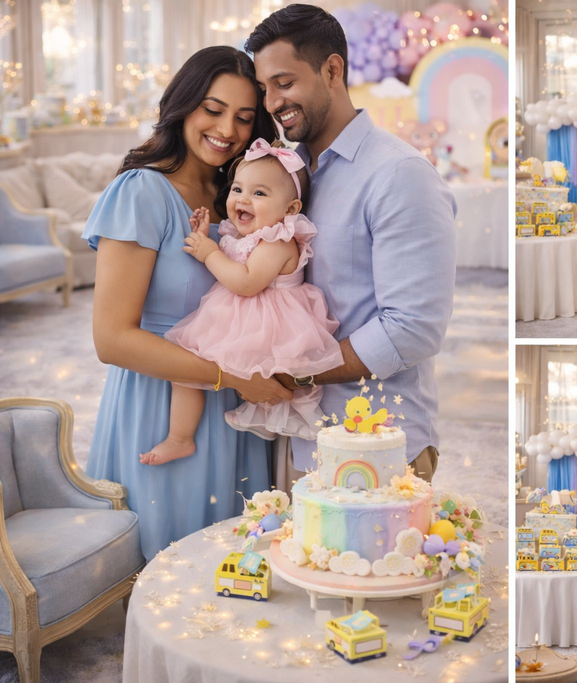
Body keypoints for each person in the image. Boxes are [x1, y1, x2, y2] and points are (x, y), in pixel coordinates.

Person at [83, 46, 294, 560]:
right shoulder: (142, 192)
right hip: (164, 404)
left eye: (245, 118)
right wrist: (235, 378)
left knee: (237, 575)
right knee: (171, 577)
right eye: (213, 109)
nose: (228, 129)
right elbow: (111, 340)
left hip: (237, 412)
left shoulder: (237, 195)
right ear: (183, 104)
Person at [245, 5, 457, 482]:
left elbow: (412, 329)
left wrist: (294, 373)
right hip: (298, 435)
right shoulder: (285, 174)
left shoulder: (399, 174)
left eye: (284, 82)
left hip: (378, 442)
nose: (273, 102)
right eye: (264, 89)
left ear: (333, 70)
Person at [141, 138, 344, 465]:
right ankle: (180, 438)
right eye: (237, 189)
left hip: (270, 327)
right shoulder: (246, 236)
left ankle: (254, 419)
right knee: (186, 369)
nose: (242, 199)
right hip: (242, 319)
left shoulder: (278, 241)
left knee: (215, 371)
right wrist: (209, 239)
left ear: (291, 209)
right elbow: (234, 259)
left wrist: (208, 253)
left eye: (259, 193)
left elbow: (247, 282)